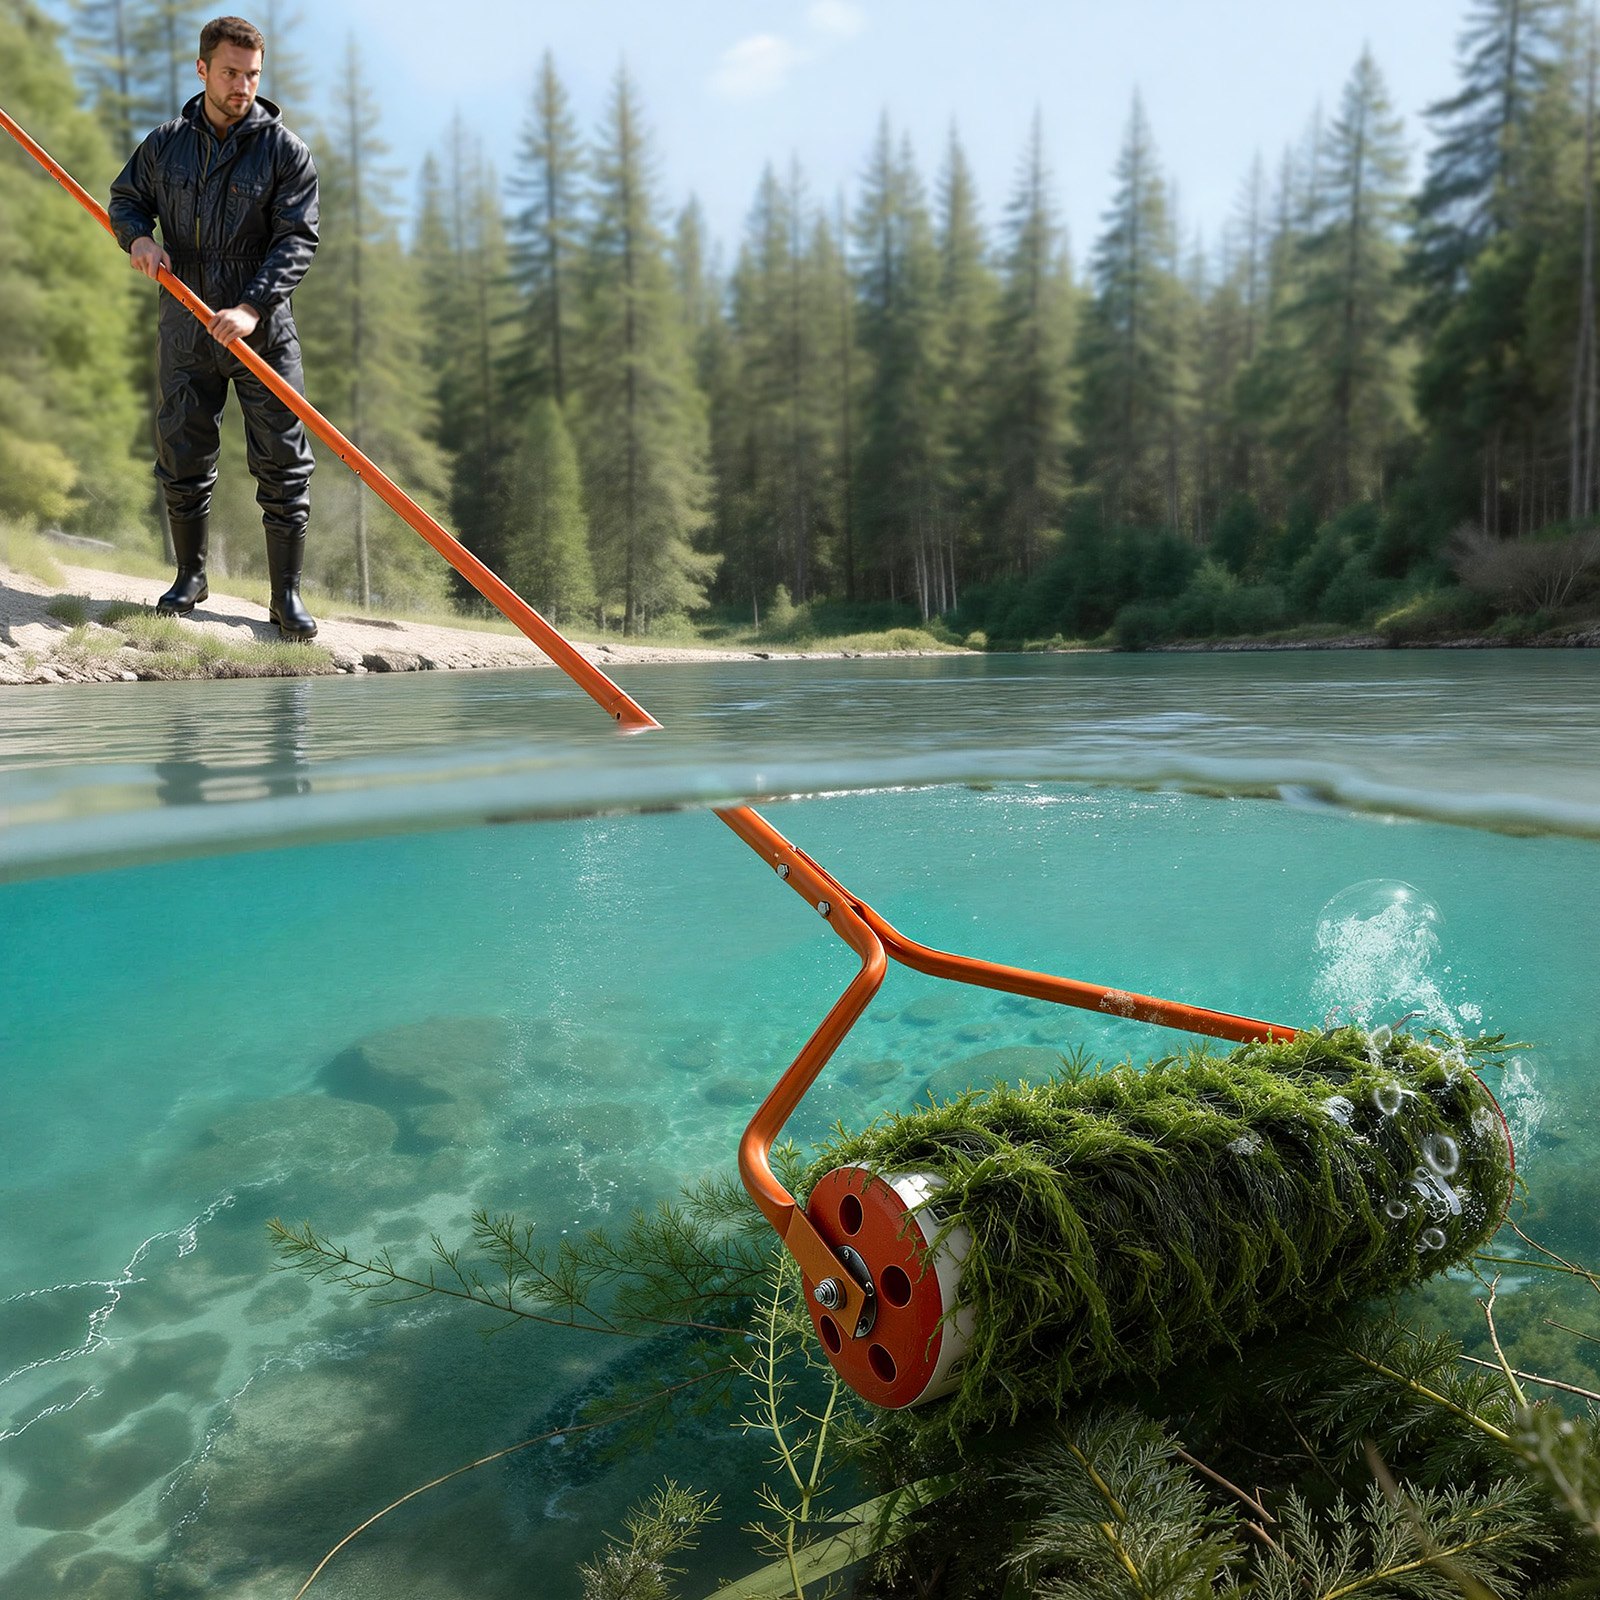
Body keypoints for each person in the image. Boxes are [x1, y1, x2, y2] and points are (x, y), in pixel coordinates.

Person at [109, 15, 320, 640]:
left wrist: (252, 307)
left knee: (284, 459)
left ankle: (285, 596)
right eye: (231, 72)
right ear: (202, 69)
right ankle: (190, 577)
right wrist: (140, 237)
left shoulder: (286, 152)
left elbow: (297, 239)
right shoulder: (164, 144)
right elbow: (126, 198)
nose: (243, 86)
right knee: (181, 448)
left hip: (263, 328)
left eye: (252, 75)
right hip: (184, 319)